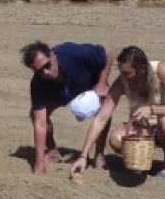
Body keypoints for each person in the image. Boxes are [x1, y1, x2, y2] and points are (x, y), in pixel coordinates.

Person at [70, 46, 165, 181]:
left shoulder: (160, 71)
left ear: (141, 68)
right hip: (141, 129)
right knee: (116, 139)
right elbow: (101, 118)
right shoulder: (122, 81)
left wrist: (152, 110)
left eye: (128, 73)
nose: (124, 76)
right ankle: (140, 162)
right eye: (121, 72)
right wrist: (83, 156)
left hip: (164, 127)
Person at [21, 41, 113, 176]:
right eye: (39, 71)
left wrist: (102, 82)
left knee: (105, 104)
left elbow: (108, 51)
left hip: (87, 85)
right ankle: (52, 149)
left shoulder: (74, 53)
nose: (46, 72)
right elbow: (40, 123)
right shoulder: (38, 83)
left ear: (52, 55)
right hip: (61, 92)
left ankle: (99, 153)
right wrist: (39, 162)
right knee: (35, 114)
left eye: (47, 65)